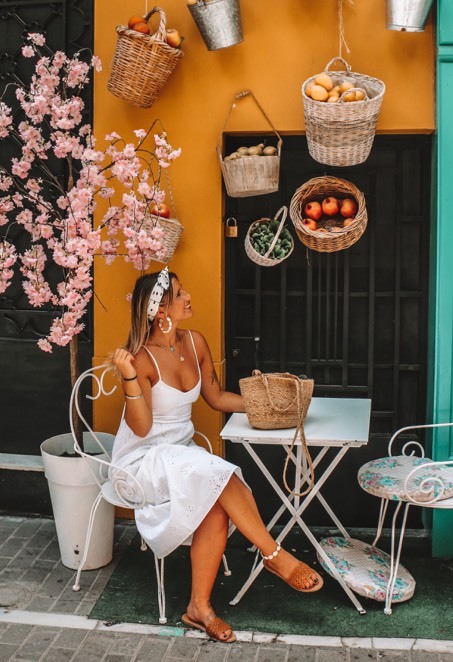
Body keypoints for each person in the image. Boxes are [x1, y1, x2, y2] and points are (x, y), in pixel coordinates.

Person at [111, 267, 323, 644]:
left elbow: (217, 398)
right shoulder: (142, 359)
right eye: (180, 294)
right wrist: (127, 375)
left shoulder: (195, 342)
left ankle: (199, 608)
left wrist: (274, 410)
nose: (188, 296)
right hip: (145, 460)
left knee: (216, 501)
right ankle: (274, 555)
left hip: (185, 455)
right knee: (219, 473)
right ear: (161, 311)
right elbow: (141, 429)